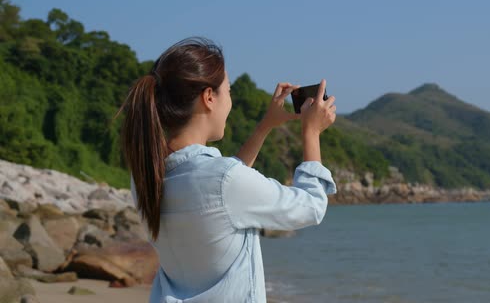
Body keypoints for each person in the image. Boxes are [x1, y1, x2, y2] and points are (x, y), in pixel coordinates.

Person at [114, 37, 337, 302]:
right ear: (209, 97)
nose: (230, 101)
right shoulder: (222, 181)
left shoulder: (146, 178)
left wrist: (265, 125)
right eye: (228, 91)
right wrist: (311, 133)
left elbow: (220, 191)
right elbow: (311, 206)